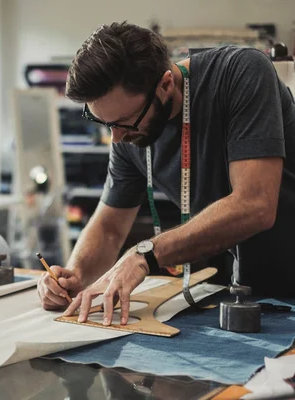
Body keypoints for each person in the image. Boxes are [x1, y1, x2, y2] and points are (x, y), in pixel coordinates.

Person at [37, 22, 295, 327]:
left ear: (165, 85)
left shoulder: (240, 73)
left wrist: (144, 254)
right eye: (105, 124)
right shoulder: (128, 130)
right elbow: (109, 227)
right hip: (247, 292)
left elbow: (255, 206)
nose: (117, 138)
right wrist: (75, 276)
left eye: (124, 122)